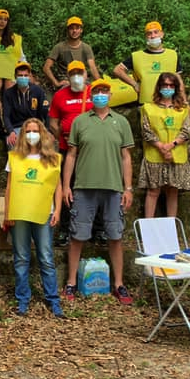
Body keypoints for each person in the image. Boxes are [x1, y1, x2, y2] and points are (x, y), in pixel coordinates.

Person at [61, 79, 135, 305]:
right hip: (84, 187)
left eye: (104, 91)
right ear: (90, 96)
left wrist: (128, 187)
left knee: (115, 236)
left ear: (110, 95)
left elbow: (126, 157)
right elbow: (71, 155)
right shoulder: (80, 121)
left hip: (113, 188)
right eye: (96, 92)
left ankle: (119, 284)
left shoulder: (121, 122)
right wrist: (66, 185)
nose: (100, 95)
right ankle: (71, 282)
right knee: (77, 236)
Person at [3, 118, 63, 317]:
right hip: (19, 213)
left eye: (35, 130)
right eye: (27, 131)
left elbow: (58, 187)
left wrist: (58, 210)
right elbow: (9, 187)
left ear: (42, 133)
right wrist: (7, 212)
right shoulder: (15, 157)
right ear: (22, 135)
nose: (31, 134)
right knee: (21, 258)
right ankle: (22, 299)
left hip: (44, 212)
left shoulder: (52, 158)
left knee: (46, 257)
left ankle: (53, 299)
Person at [48, 60, 93, 247]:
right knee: (68, 188)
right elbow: (53, 122)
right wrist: (64, 137)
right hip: (68, 149)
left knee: (94, 188)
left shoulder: (94, 93)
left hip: (92, 151)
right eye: (72, 73)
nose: (76, 77)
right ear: (67, 76)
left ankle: (98, 230)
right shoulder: (60, 96)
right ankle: (66, 230)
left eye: (79, 73)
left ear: (85, 75)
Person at [139, 72, 190, 218]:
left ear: (175, 88)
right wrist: (161, 147)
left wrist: (171, 145)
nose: (167, 88)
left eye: (171, 85)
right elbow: (146, 131)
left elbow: (186, 131)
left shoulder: (183, 109)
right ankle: (148, 227)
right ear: (159, 87)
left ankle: (170, 228)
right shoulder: (148, 108)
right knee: (153, 190)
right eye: (164, 85)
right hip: (155, 155)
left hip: (177, 155)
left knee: (172, 191)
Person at [112, 21, 182, 105]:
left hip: (170, 103)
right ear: (146, 36)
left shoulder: (173, 55)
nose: (153, 36)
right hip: (146, 104)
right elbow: (117, 70)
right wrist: (134, 85)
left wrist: (183, 98)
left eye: (156, 32)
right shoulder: (137, 56)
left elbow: (179, 79)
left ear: (162, 34)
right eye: (149, 33)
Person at [43, 16, 101, 89]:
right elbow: (46, 67)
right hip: (66, 82)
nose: (74, 31)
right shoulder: (59, 47)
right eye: (72, 28)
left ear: (81, 30)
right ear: (68, 30)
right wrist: (56, 83)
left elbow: (92, 68)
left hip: (82, 80)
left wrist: (100, 84)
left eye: (77, 28)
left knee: (92, 93)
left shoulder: (86, 48)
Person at [2, 61, 49, 149]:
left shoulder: (38, 91)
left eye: (25, 75)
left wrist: (47, 130)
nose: (23, 77)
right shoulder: (8, 93)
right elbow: (6, 116)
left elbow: (46, 113)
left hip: (35, 126)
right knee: (12, 143)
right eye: (20, 75)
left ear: (29, 76)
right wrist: (11, 131)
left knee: (46, 143)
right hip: (17, 127)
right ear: (15, 76)